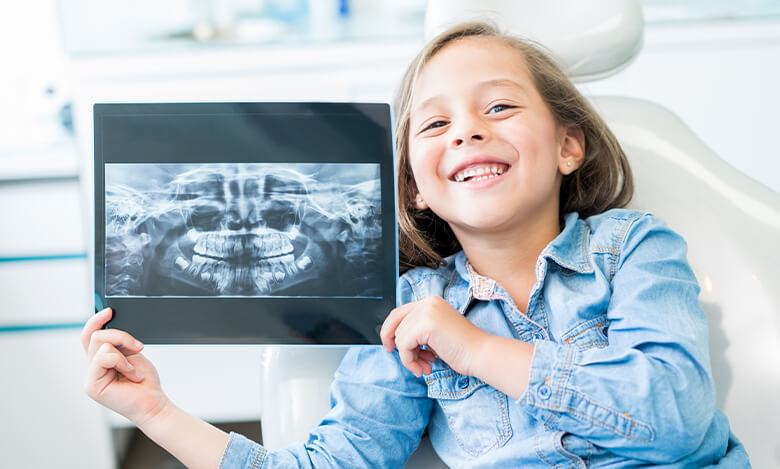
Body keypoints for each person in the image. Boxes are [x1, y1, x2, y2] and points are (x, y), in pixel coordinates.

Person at [81, 21, 751, 468]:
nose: (465, 132)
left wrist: (475, 348)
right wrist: (155, 412)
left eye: (500, 107)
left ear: (569, 145)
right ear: (416, 187)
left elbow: (679, 416)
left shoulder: (633, 249)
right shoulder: (411, 310)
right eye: (436, 122)